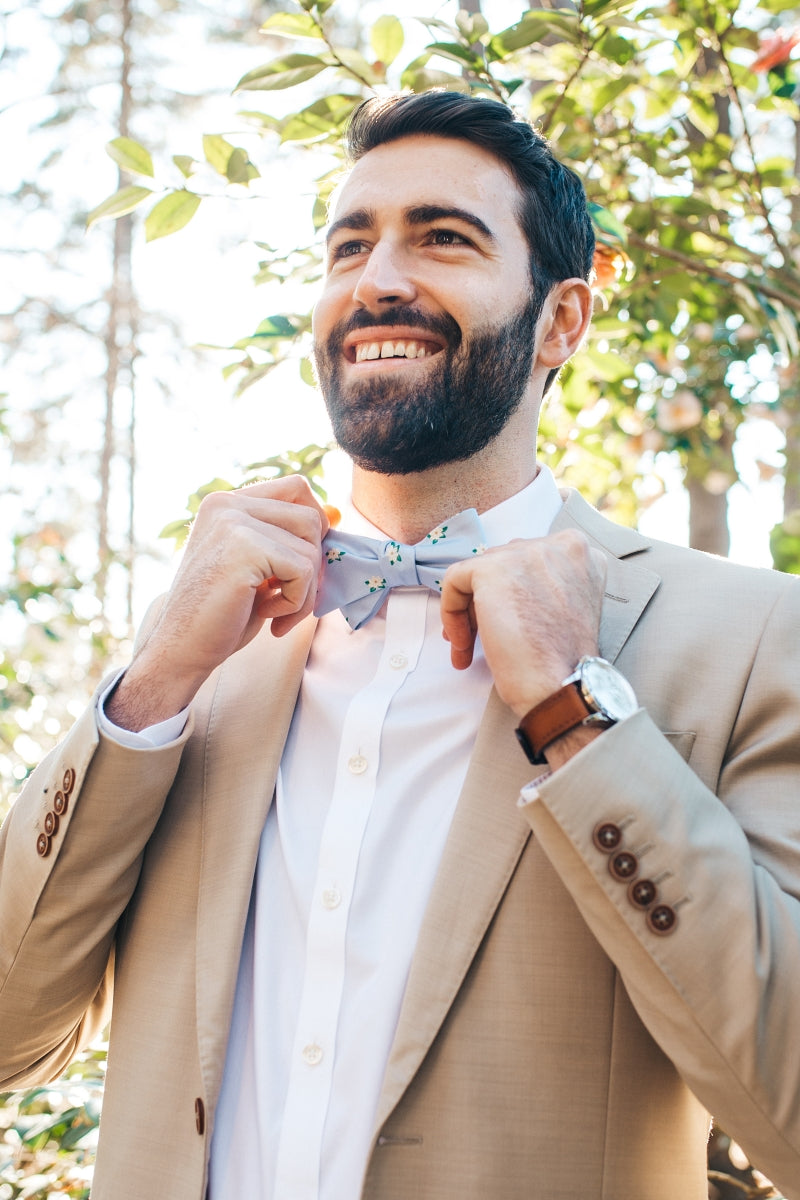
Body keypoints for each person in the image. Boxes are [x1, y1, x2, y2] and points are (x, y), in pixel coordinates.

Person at [1, 90, 799, 1200]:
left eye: (442, 238)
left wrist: (576, 713)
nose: (378, 279)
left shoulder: (752, 636)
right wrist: (148, 690)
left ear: (561, 322)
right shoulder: (205, 645)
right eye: (348, 245)